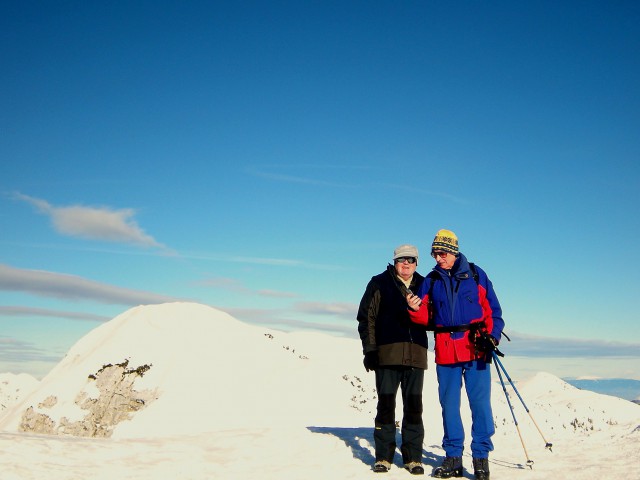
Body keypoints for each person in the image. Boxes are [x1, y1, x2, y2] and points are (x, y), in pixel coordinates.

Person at [406, 230, 504, 480]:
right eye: (435, 254)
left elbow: (493, 310)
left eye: (443, 253)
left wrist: (492, 336)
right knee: (449, 405)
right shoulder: (430, 280)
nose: (439, 258)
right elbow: (426, 316)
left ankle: (481, 458)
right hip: (446, 350)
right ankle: (453, 458)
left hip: (476, 348)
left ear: (454, 251)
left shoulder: (476, 274)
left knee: (480, 405)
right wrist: (413, 310)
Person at [357, 244, 429, 475]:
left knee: (414, 408)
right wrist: (370, 350)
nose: (405, 263)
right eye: (401, 259)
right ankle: (383, 457)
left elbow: (435, 317)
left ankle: (413, 458)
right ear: (394, 261)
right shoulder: (379, 282)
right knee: (386, 406)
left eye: (410, 259)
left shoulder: (425, 285)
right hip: (387, 355)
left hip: (416, 355)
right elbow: (366, 317)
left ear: (417, 262)